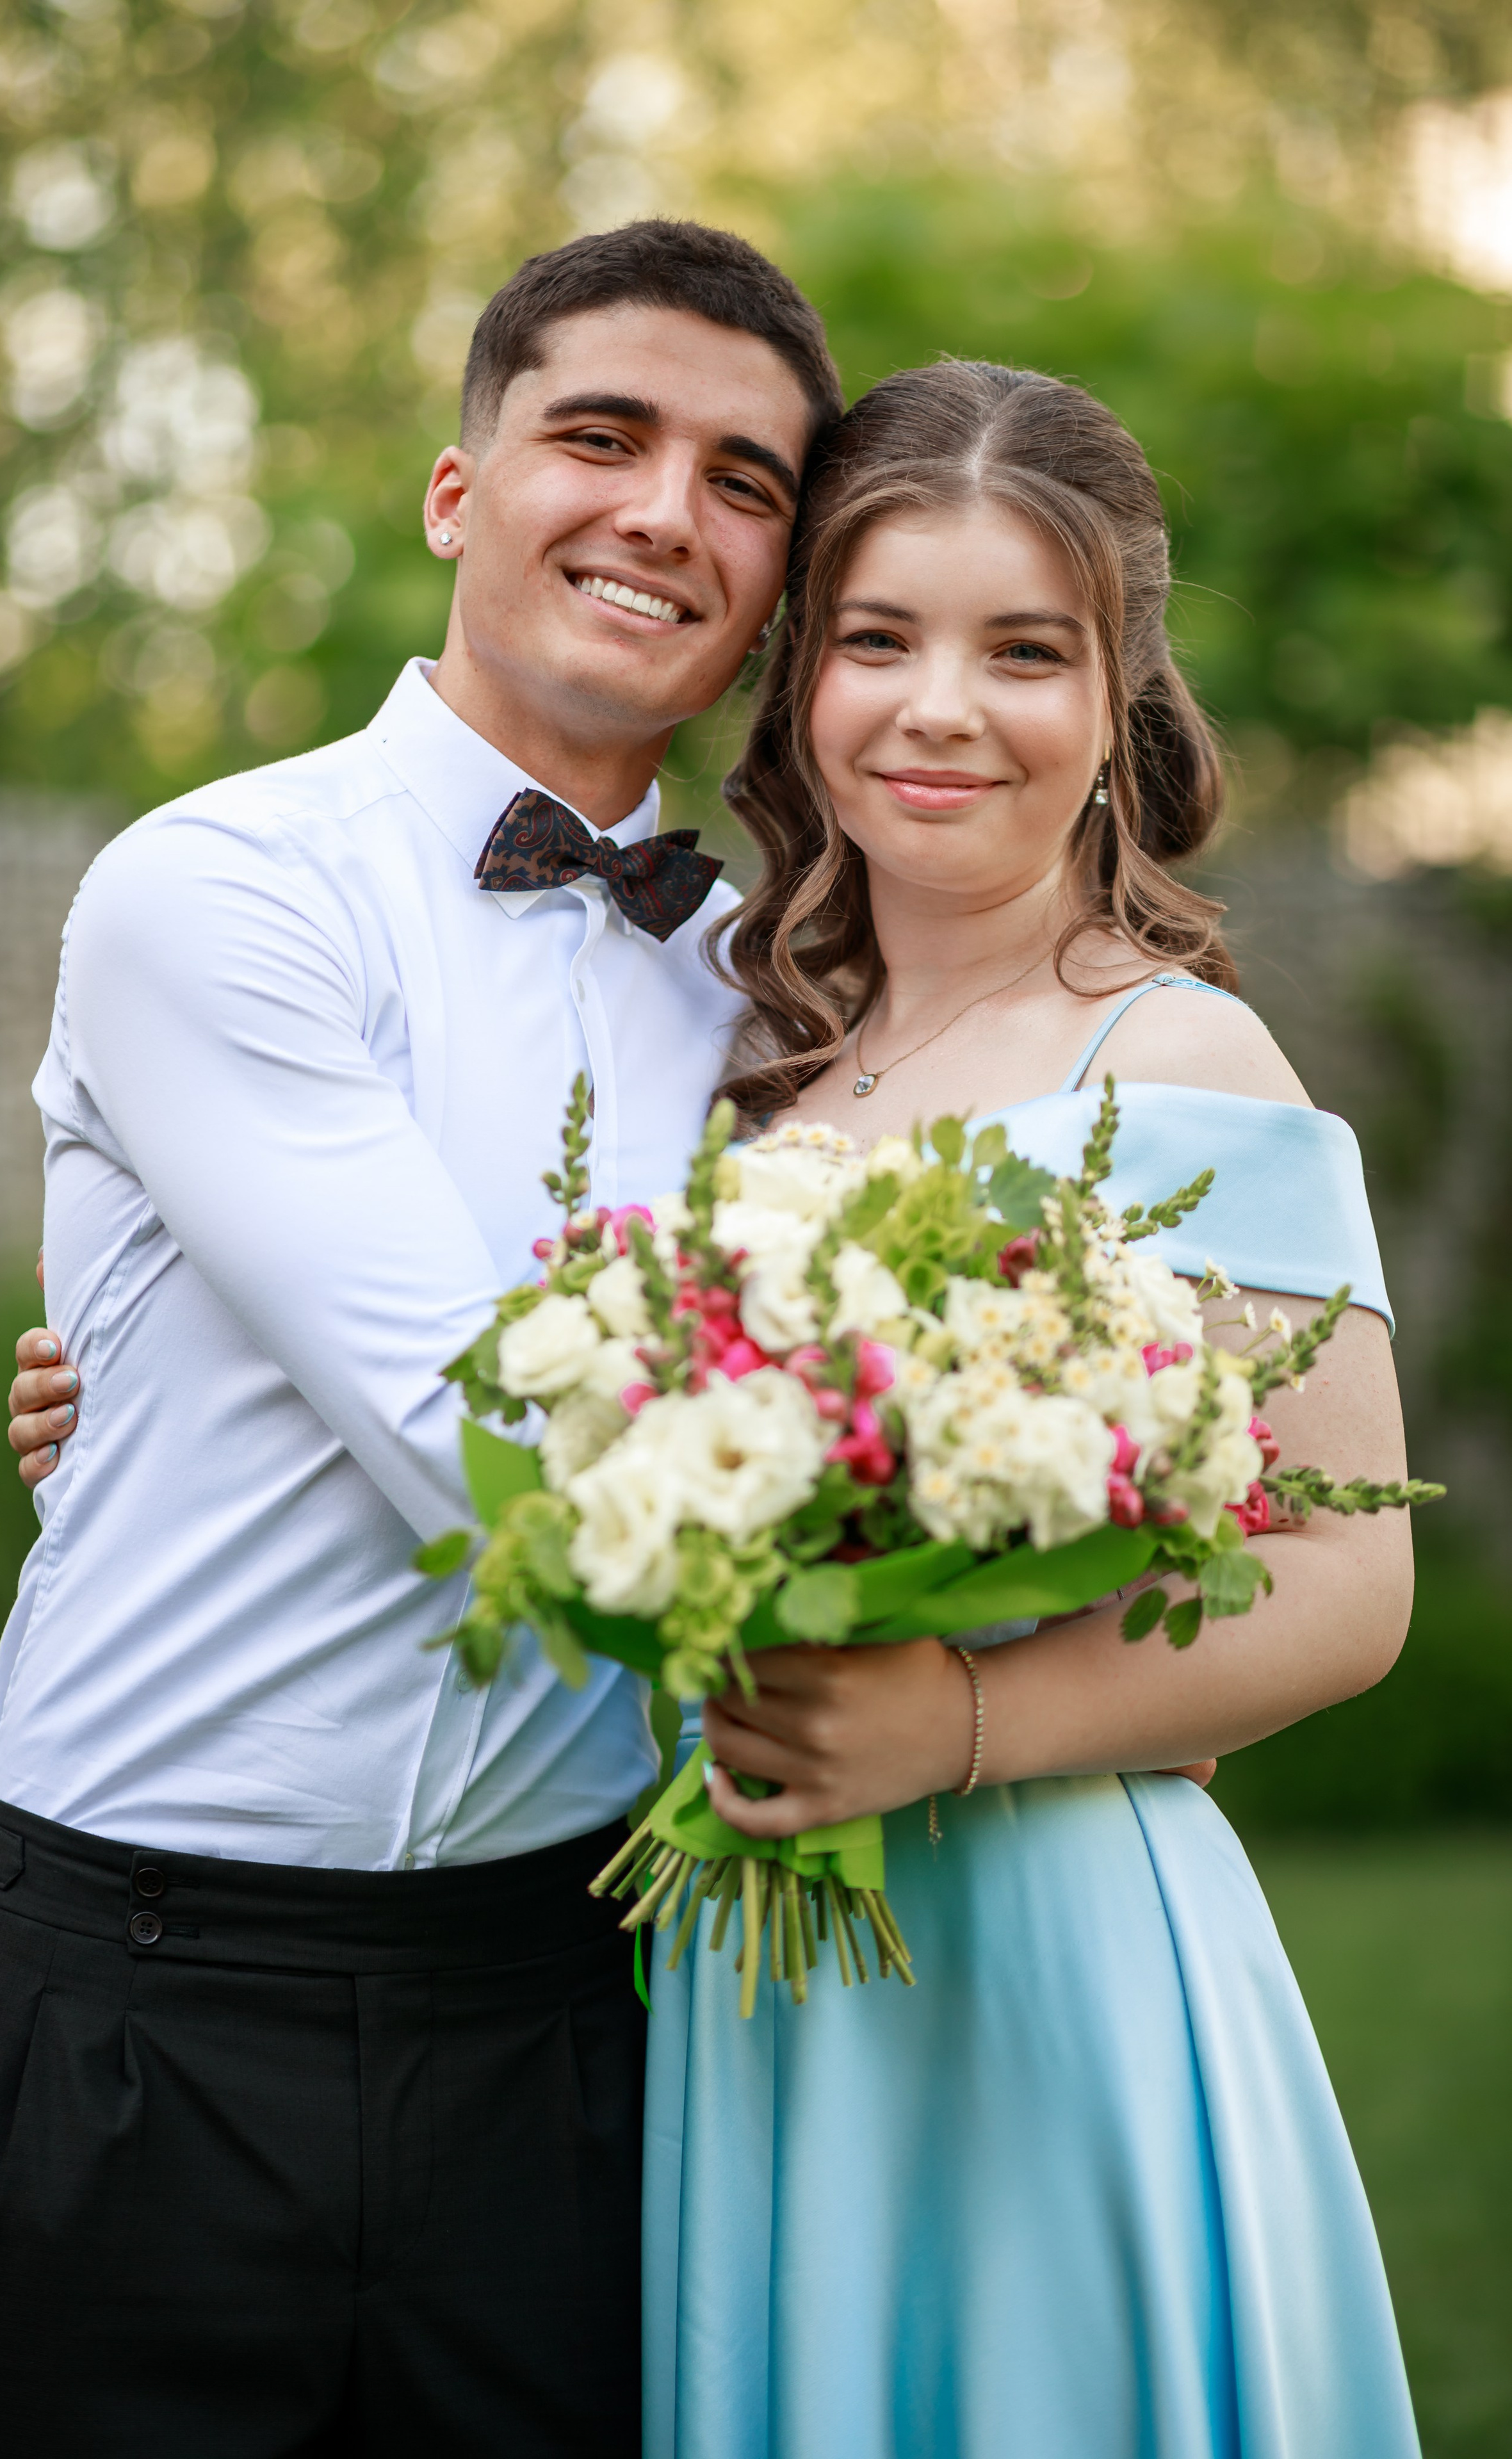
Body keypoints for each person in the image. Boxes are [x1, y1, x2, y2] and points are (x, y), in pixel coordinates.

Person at [0, 218, 841, 2459]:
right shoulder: (221, 886)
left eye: (742, 479)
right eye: (597, 437)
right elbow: (478, 1439)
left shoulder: (788, 998)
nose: (660, 513)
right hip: (142, 2016)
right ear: (456, 488)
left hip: (575, 2007)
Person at [642, 362, 1421, 2456]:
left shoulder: (1181, 1067)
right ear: (802, 676)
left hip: (1050, 1951)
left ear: (1119, 706)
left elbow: (1352, 1578)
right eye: (880, 639)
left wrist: (957, 1723)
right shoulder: (745, 1064)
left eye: (1023, 651)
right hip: (752, 1965)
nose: (939, 709)